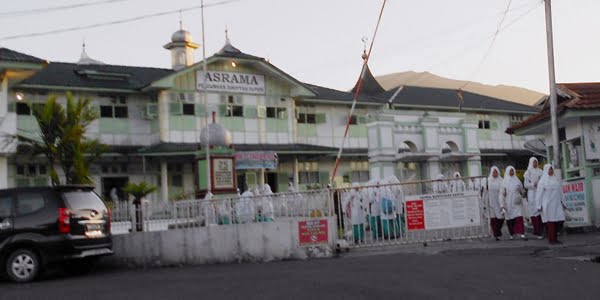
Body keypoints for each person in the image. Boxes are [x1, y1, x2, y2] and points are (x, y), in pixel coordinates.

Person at [536, 164, 567, 244]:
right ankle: (552, 239)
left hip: (557, 204)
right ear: (546, 170)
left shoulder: (555, 179)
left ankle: (555, 238)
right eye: (549, 169)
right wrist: (539, 205)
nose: (551, 171)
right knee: (551, 222)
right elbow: (539, 194)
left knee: (559, 221)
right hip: (548, 205)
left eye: (551, 169)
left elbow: (560, 192)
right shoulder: (542, 182)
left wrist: (563, 202)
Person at [499, 166, 527, 241]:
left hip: (517, 202)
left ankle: (522, 233)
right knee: (510, 219)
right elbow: (501, 194)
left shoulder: (517, 180)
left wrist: (522, 193)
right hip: (508, 203)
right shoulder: (504, 182)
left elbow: (522, 190)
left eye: (512, 171)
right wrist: (502, 204)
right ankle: (512, 234)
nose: (511, 172)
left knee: (519, 216)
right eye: (510, 171)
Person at [524, 157, 544, 239]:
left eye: (536, 162)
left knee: (541, 211)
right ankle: (537, 231)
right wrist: (533, 185)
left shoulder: (541, 171)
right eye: (534, 162)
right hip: (532, 194)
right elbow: (525, 185)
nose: (535, 164)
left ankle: (541, 231)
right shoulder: (528, 172)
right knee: (534, 212)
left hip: (540, 193)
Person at [486, 166, 505, 240]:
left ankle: (498, 231)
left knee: (501, 218)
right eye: (493, 172)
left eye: (496, 172)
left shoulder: (502, 180)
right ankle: (496, 234)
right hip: (491, 202)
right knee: (493, 219)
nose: (495, 173)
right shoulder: (488, 180)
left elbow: (504, 190)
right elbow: (485, 190)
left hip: (499, 201)